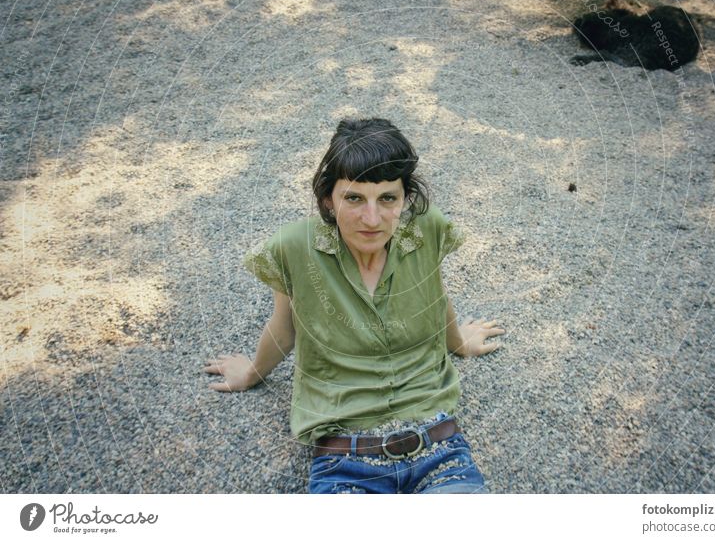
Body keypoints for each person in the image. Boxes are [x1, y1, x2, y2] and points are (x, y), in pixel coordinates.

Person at [204, 118, 505, 494]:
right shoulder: (296, 247)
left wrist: (458, 343)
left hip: (439, 446)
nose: (372, 219)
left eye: (388, 199)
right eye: (354, 198)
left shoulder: (425, 230)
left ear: (406, 199)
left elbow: (434, 295)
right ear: (329, 198)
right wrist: (251, 373)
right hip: (343, 459)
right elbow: (285, 325)